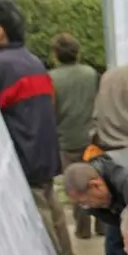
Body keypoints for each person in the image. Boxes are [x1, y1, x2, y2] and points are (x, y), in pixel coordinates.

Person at [0, 0, 75, 255]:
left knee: (41, 224)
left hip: (23, 161)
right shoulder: (32, 61)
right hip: (44, 156)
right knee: (55, 215)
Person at [49, 32, 103, 240]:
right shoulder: (90, 73)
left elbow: (52, 109)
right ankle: (102, 225)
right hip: (92, 136)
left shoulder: (51, 78)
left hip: (66, 138)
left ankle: (83, 229)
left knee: (76, 184)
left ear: (55, 54)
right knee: (97, 178)